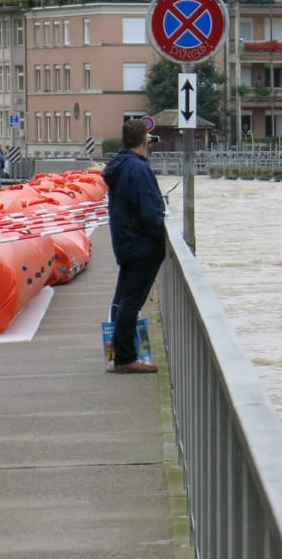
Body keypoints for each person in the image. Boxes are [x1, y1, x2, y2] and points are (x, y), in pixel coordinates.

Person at [103, 118, 165, 374]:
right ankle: (125, 358)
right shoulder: (138, 170)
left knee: (123, 298)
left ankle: (117, 353)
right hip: (141, 245)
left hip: (125, 241)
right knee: (131, 301)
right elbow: (149, 212)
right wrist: (164, 239)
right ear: (145, 141)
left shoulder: (119, 166)